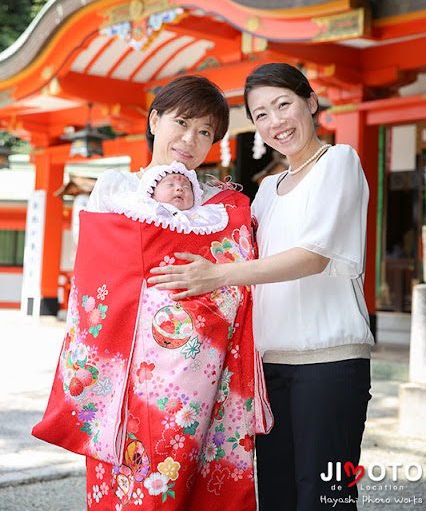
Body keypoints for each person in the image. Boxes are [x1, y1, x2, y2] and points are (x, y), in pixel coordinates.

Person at [32, 74, 271, 511]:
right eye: (181, 122)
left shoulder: (223, 203)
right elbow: (93, 282)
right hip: (123, 371)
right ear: (155, 119)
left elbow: (239, 277)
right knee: (128, 474)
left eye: (205, 133)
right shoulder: (115, 190)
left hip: (200, 374)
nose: (190, 140)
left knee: (190, 476)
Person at [149, 63, 374, 511]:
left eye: (284, 104)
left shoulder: (339, 161)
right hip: (267, 370)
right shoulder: (267, 189)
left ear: (311, 103)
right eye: (262, 114)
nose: (276, 122)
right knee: (274, 496)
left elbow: (314, 256)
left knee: (325, 498)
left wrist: (216, 276)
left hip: (329, 365)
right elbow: (235, 254)